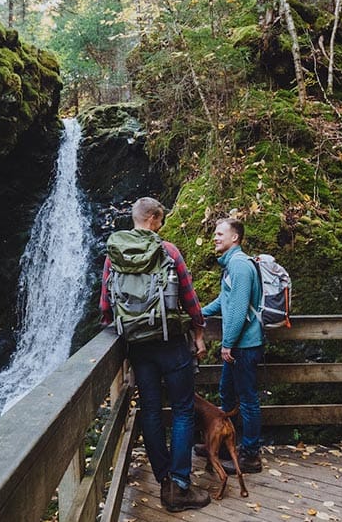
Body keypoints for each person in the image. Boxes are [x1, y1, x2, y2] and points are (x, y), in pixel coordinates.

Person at [100, 197, 210, 513]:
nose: (161, 225)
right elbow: (189, 297)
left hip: (137, 346)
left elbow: (106, 306)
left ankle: (163, 478)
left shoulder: (114, 255)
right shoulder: (168, 251)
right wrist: (199, 329)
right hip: (170, 342)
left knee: (150, 409)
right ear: (153, 218)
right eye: (160, 220)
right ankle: (179, 485)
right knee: (182, 410)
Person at [199, 217, 264, 474]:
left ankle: (250, 455)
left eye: (219, 234)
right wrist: (197, 313)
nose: (214, 237)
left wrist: (227, 344)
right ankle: (223, 444)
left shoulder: (238, 266)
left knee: (247, 399)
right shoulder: (230, 266)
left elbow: (237, 311)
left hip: (244, 346)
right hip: (238, 345)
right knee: (227, 393)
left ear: (234, 238)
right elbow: (223, 301)